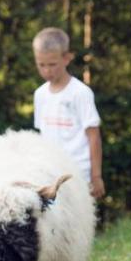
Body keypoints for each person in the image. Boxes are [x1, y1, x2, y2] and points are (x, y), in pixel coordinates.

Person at [31, 27, 105, 199]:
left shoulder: (80, 93)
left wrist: (96, 176)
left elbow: (93, 136)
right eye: (41, 65)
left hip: (78, 175)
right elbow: (42, 135)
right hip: (49, 174)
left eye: (52, 64)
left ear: (67, 58)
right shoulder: (40, 94)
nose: (47, 70)